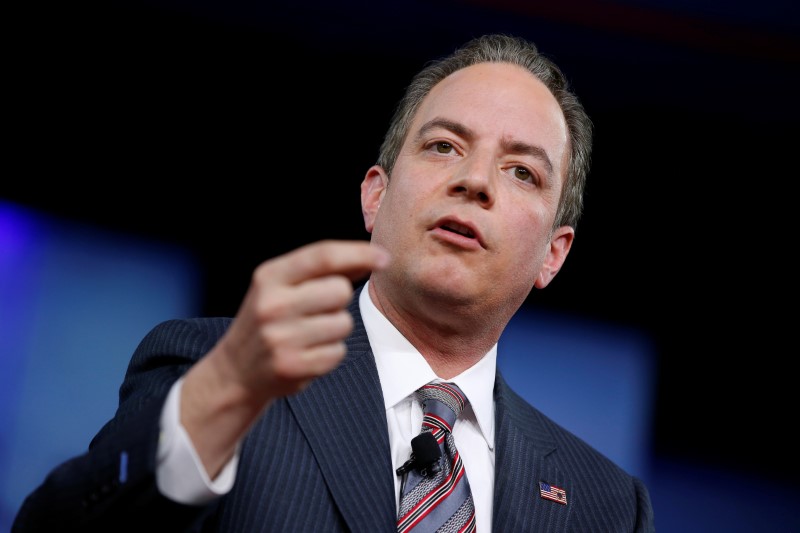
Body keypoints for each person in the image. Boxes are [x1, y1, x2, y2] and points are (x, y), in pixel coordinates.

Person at [12, 33, 654, 532]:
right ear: (375, 197)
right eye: (443, 147)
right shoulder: (217, 370)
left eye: (522, 172)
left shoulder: (606, 506)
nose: (476, 181)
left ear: (554, 255)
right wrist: (221, 398)